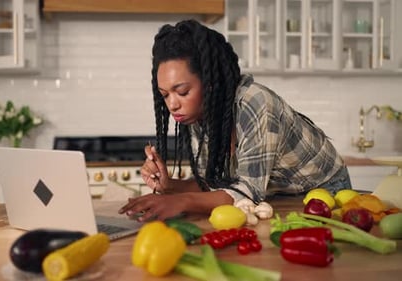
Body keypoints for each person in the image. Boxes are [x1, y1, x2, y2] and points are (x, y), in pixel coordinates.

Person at [118, 19, 352, 222]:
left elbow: (248, 191)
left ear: (210, 84)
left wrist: (181, 201)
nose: (172, 105)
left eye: (182, 91)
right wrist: (170, 187)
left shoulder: (255, 103)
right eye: (165, 94)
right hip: (275, 194)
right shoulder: (197, 115)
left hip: (324, 191)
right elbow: (216, 183)